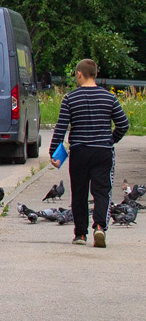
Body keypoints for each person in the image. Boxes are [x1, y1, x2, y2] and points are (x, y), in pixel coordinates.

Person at [49, 58, 129, 247]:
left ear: (79, 74)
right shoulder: (109, 98)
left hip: (79, 152)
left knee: (79, 193)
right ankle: (100, 227)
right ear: (95, 74)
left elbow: (61, 128)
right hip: (103, 152)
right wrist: (111, 139)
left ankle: (80, 235)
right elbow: (123, 124)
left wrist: (55, 153)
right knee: (102, 191)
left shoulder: (70, 98)